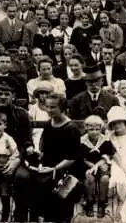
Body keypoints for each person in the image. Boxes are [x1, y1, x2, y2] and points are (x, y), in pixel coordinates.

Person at [28, 92, 81, 222]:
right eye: (47, 107)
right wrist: (40, 158)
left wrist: (54, 169)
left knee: (60, 204)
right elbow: (44, 146)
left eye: (53, 107)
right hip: (48, 167)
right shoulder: (48, 124)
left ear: (62, 109)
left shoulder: (71, 128)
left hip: (67, 170)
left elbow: (73, 157)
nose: (49, 110)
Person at [81, 115, 116, 218]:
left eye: (97, 129)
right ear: (86, 128)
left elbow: (107, 156)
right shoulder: (82, 140)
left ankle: (102, 203)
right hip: (87, 165)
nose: (94, 132)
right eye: (91, 129)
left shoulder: (105, 140)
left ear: (101, 128)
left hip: (102, 164)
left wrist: (96, 166)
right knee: (89, 178)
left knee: (104, 178)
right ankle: (89, 202)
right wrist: (92, 167)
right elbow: (83, 158)